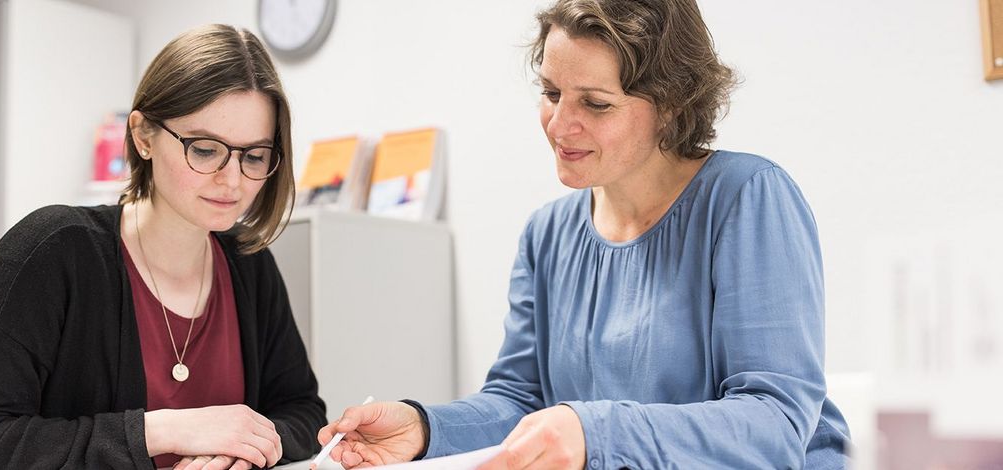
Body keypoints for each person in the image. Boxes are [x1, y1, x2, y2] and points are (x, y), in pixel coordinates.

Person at [316, 0, 851, 468]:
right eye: (551, 93)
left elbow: (776, 424)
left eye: (595, 103)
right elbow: (521, 401)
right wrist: (426, 428)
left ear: (672, 105)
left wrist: (594, 433)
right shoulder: (547, 234)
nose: (559, 124)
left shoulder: (747, 197)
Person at [0, 24, 326, 470]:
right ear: (142, 136)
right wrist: (163, 431)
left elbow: (303, 413)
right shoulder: (53, 249)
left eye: (253, 156)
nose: (232, 180)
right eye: (204, 149)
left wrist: (241, 450)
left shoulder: (250, 266)